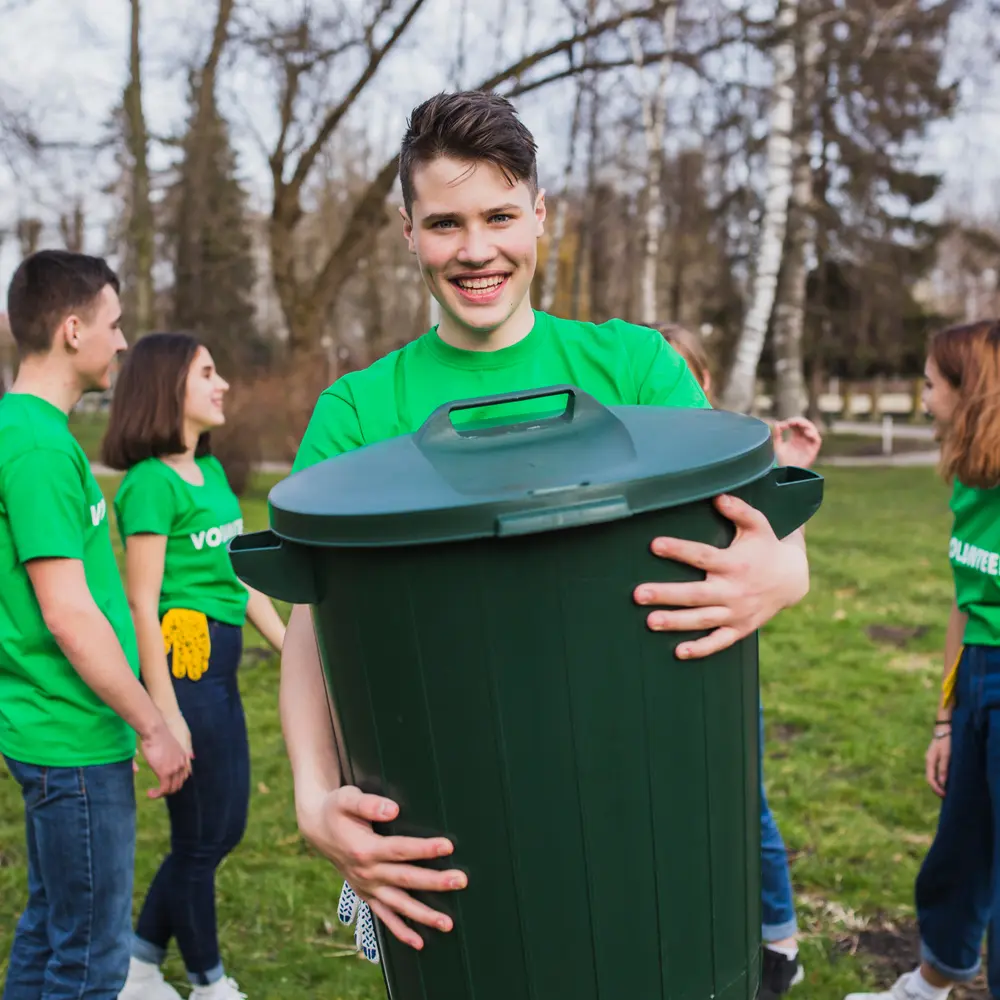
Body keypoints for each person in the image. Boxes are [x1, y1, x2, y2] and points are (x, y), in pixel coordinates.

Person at [280, 90, 812, 953]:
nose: (477, 250)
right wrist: (313, 798)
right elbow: (314, 614)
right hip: (449, 808)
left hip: (639, 783)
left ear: (540, 215)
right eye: (446, 223)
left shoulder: (635, 366)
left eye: (499, 216)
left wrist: (788, 570)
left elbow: (754, 527)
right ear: (408, 231)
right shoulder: (358, 412)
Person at [0, 251, 190, 1000]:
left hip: (53, 729)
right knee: (89, 959)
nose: (121, 342)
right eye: (113, 325)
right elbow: (69, 614)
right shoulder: (39, 446)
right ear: (72, 329)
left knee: (51, 927)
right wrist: (151, 725)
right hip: (73, 739)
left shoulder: (26, 431)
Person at [101, 333, 287, 1000]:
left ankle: (141, 961)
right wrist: (166, 713)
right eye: (208, 372)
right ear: (168, 386)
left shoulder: (207, 474)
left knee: (222, 826)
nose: (223, 383)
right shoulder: (149, 485)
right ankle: (208, 981)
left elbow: (241, 578)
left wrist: (288, 644)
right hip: (183, 671)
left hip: (223, 673)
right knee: (202, 836)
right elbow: (139, 603)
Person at [659, 322, 822, 998]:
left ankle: (779, 938)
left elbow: (780, 542)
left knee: (742, 800)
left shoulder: (721, 463)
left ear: (701, 386)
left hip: (722, 661)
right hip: (654, 659)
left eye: (678, 377)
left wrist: (788, 462)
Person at [846, 319, 1000, 1000]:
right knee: (959, 855)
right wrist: (945, 721)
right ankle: (928, 985)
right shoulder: (971, 481)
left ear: (972, 394)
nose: (922, 395)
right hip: (977, 676)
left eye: (932, 383)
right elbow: (964, 606)